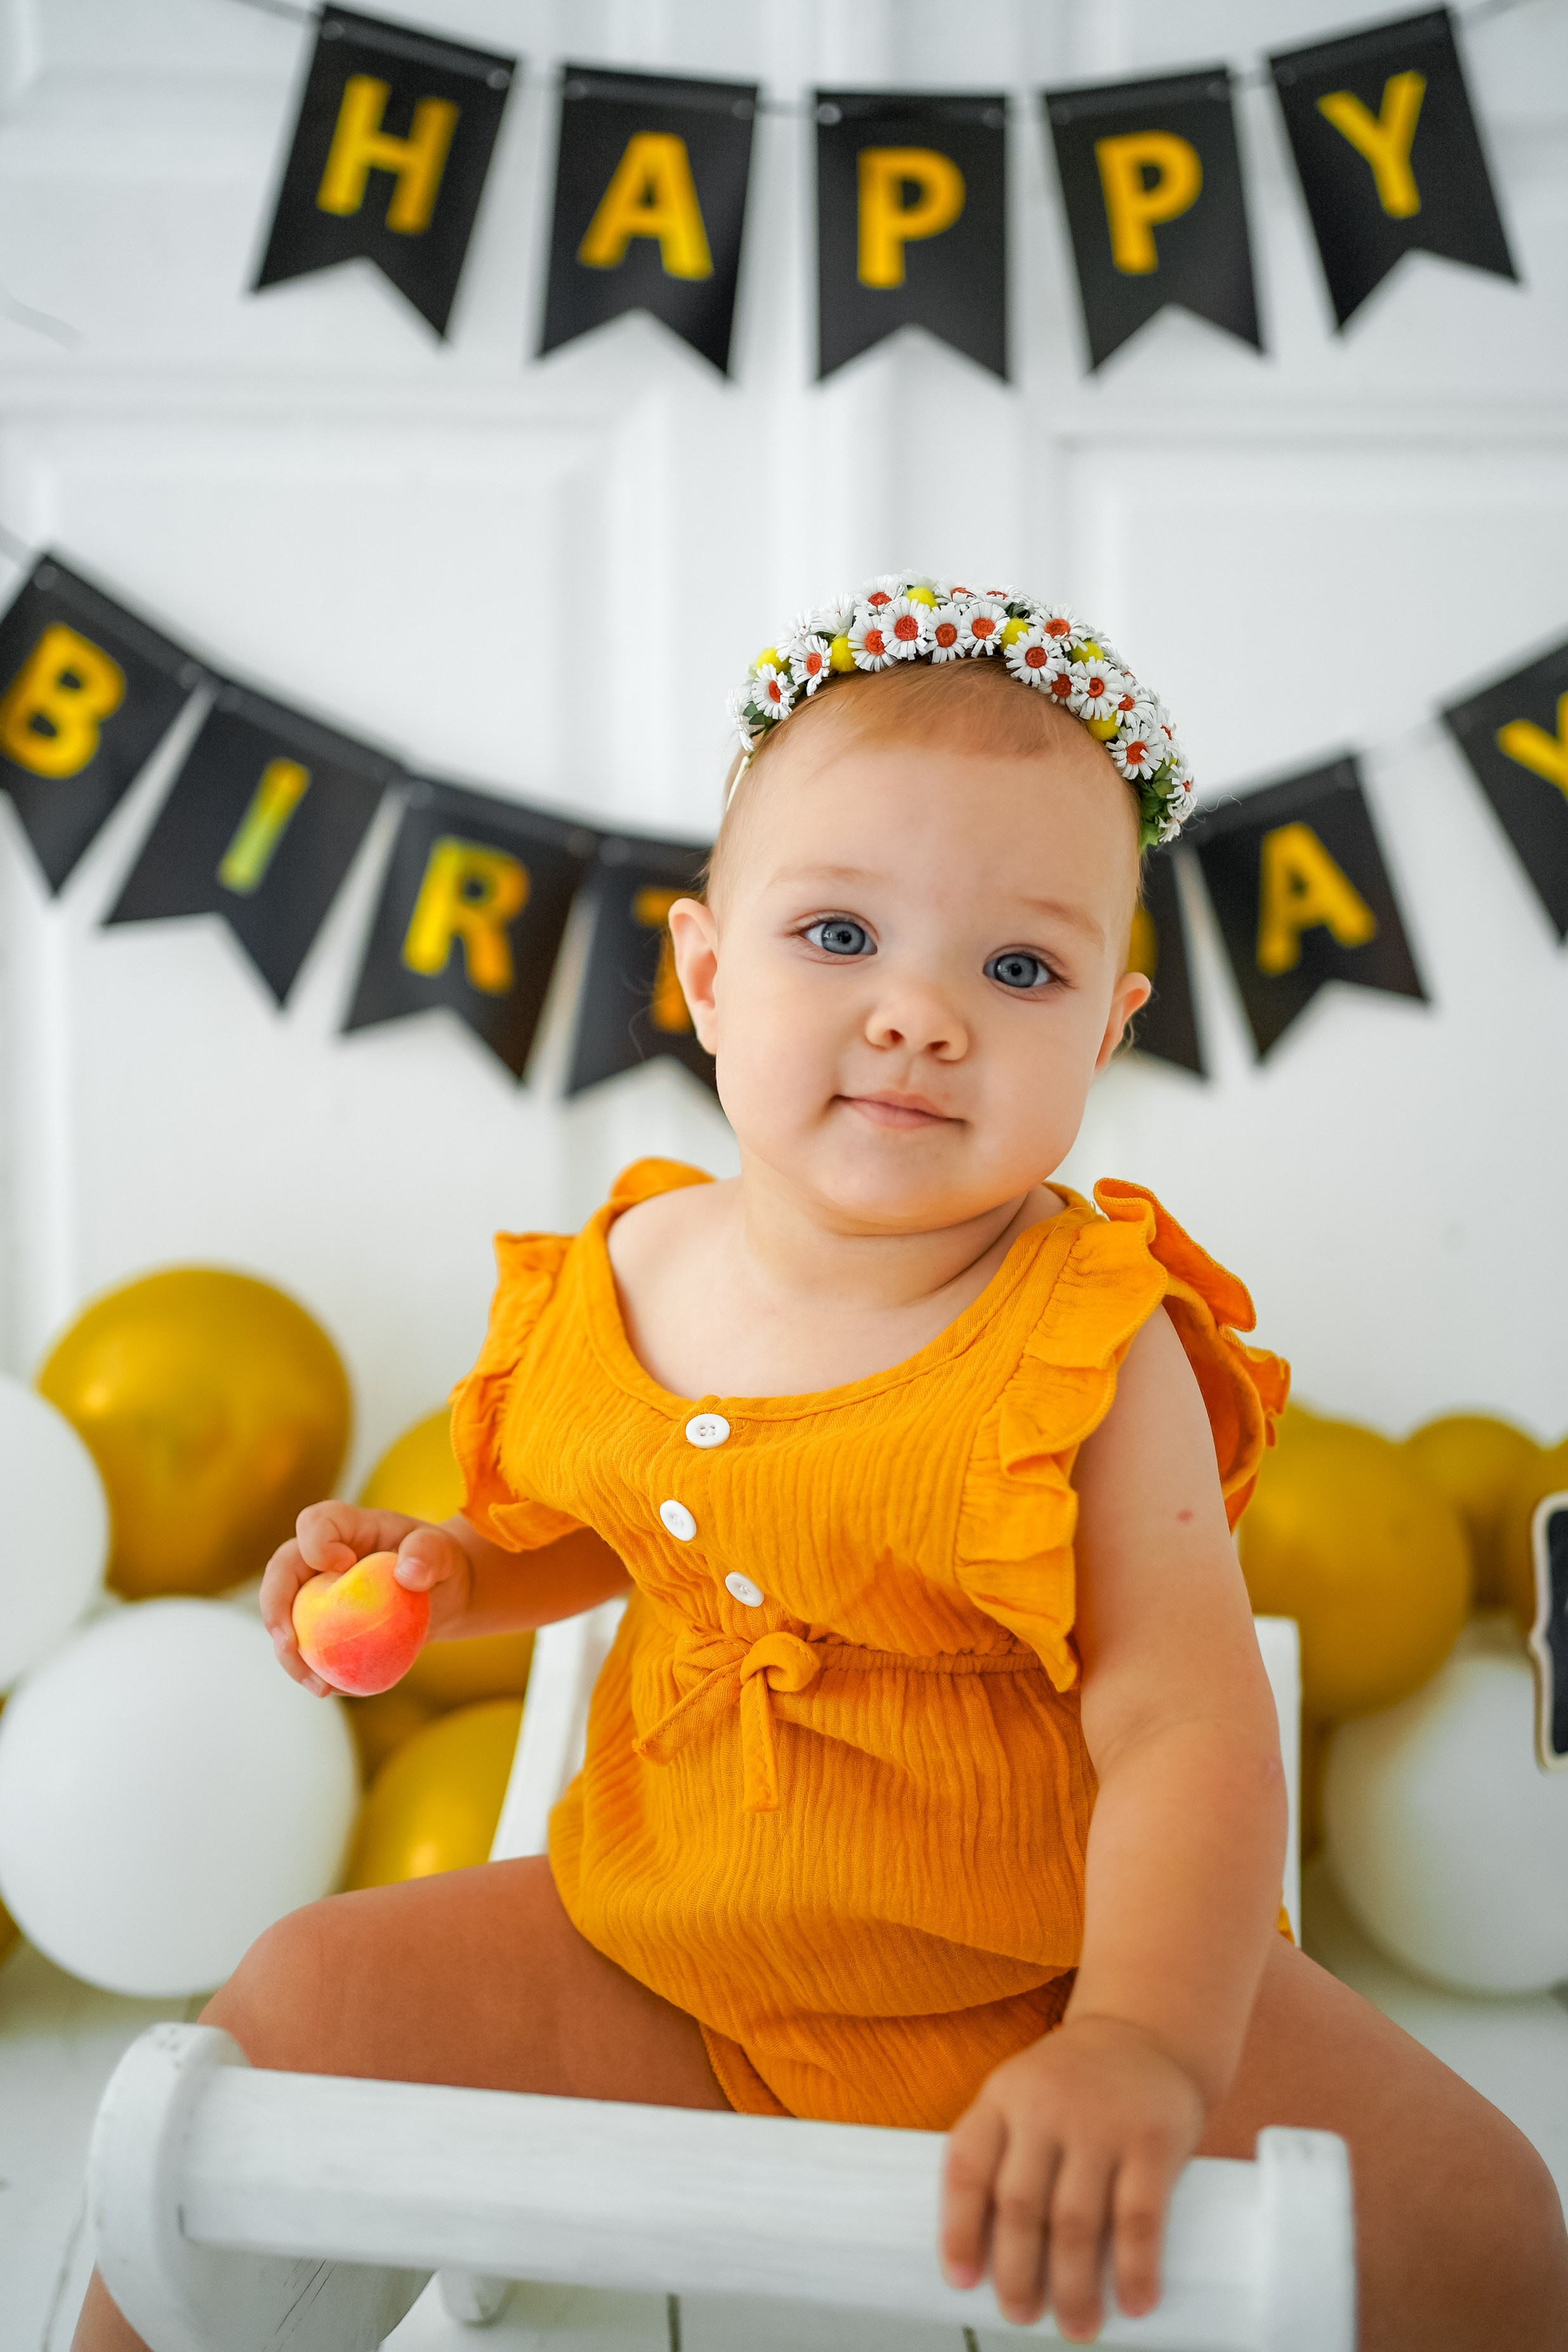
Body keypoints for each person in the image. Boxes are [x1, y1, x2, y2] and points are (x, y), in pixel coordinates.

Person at [76, 580, 1567, 2352]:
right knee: (299, 2001)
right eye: (841, 934)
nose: (922, 1012)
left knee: (1483, 2222)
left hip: (1036, 1978)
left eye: (1018, 967)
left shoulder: (1093, 1342)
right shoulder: (635, 1269)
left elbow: (1187, 1722)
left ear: (1103, 1030)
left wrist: (1141, 2040)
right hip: (671, 1953)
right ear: (708, 974)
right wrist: (463, 1568)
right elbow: (609, 1525)